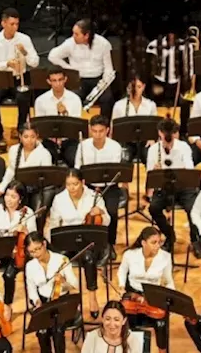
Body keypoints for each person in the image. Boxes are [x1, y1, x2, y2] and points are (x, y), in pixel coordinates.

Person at [24, 232, 82, 353]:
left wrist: (63, 281)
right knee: (42, 333)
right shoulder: (30, 266)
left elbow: (74, 285)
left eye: (38, 249)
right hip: (43, 301)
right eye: (32, 251)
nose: (36, 254)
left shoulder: (61, 260)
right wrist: (36, 301)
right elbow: (31, 288)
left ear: (44, 244)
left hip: (61, 301)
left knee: (57, 331)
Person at [117, 227, 176, 353]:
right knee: (124, 319)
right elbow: (122, 271)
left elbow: (168, 281)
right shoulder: (130, 255)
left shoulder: (165, 257)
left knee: (161, 322)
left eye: (159, 242)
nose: (158, 246)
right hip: (133, 294)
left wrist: (171, 298)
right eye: (154, 242)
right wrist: (121, 286)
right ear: (143, 243)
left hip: (153, 295)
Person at [47, 169, 112, 287]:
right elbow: (53, 224)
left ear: (83, 182)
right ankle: (61, 291)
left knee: (88, 258)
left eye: (75, 184)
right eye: (68, 185)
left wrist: (101, 212)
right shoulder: (59, 198)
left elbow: (106, 222)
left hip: (88, 241)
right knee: (54, 260)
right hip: (68, 240)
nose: (72, 188)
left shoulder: (94, 196)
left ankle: (92, 294)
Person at [0, 8, 40, 147]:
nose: (15, 27)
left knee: (23, 98)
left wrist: (24, 52)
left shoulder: (24, 39)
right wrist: (7, 64)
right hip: (0, 78)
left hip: (19, 78)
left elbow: (35, 62)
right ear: (3, 23)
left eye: (17, 24)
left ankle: (21, 130)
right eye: (11, 24)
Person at [0, 181, 39, 307]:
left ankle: (8, 306)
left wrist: (25, 231)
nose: (9, 200)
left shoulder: (28, 213)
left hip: (19, 252)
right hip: (0, 249)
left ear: (20, 199)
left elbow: (34, 238)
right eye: (7, 195)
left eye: (13, 197)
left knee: (8, 275)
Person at [0, 123, 59, 229]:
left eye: (32, 137)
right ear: (20, 137)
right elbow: (11, 171)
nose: (29, 140)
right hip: (19, 190)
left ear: (37, 136)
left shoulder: (44, 154)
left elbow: (46, 178)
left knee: (36, 217)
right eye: (26, 137)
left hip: (37, 190)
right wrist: (1, 189)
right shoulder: (14, 150)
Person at [73, 115, 126, 248]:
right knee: (83, 212)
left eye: (101, 131)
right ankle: (87, 243)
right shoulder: (83, 146)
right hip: (89, 187)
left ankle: (110, 244)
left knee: (112, 213)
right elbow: (77, 168)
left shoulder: (115, 147)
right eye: (94, 131)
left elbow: (115, 171)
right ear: (90, 130)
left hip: (109, 186)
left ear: (107, 130)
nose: (97, 135)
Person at [146, 118, 197, 252]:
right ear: (159, 133)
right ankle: (169, 235)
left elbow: (189, 170)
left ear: (175, 133)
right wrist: (155, 172)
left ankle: (196, 241)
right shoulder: (153, 150)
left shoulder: (183, 147)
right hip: (163, 187)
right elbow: (150, 176)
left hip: (184, 187)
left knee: (193, 210)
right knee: (153, 208)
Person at [48, 19, 115, 110]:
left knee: (107, 98)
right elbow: (52, 56)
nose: (73, 36)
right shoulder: (70, 43)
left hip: (97, 79)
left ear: (86, 35)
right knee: (71, 97)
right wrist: (69, 69)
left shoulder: (103, 44)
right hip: (78, 79)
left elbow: (108, 69)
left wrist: (102, 86)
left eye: (76, 34)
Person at [33, 67, 85, 166]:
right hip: (49, 141)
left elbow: (76, 125)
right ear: (49, 81)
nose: (58, 84)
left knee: (75, 162)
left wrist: (65, 113)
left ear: (65, 79)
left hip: (69, 140)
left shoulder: (75, 99)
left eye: (60, 80)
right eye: (54, 80)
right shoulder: (40, 100)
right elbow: (39, 126)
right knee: (43, 162)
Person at [145, 35, 193, 132]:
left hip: (178, 82)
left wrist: (187, 85)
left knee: (184, 106)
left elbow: (190, 67)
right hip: (160, 82)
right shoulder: (154, 45)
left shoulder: (186, 46)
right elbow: (149, 69)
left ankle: (183, 132)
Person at [110, 73, 158, 164]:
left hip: (145, 141)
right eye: (133, 87)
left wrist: (152, 139)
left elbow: (155, 127)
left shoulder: (150, 105)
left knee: (151, 157)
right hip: (126, 142)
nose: (135, 91)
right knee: (123, 159)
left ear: (143, 87)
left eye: (139, 87)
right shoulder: (119, 105)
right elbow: (114, 129)